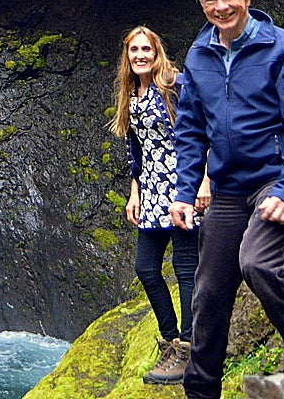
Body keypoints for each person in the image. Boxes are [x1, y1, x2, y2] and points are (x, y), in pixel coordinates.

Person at [169, 0, 284, 399]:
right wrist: (185, 192)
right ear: (202, 4)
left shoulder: (280, 46)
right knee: (208, 294)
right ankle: (201, 391)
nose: (220, 6)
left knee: (259, 263)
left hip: (274, 179)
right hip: (227, 188)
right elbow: (189, 130)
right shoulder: (198, 55)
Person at [110, 26, 211, 384]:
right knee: (146, 268)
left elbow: (205, 128)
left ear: (157, 52)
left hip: (182, 184)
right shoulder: (131, 93)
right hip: (151, 190)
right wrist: (135, 190)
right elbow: (135, 149)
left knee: (185, 267)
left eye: (146, 49)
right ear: (127, 55)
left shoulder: (174, 84)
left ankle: (188, 347)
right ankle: (170, 339)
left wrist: (204, 180)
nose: (140, 56)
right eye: (134, 50)